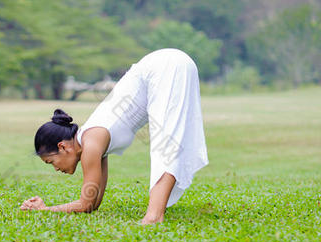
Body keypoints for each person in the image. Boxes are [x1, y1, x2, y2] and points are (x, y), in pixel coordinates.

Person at [20, 48, 209, 225]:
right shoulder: (93, 144)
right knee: (171, 140)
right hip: (173, 63)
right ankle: (155, 212)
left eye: (51, 161)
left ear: (62, 147)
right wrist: (47, 209)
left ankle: (153, 216)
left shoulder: (91, 143)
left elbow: (85, 204)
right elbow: (91, 203)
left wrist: (45, 210)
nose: (55, 169)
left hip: (165, 66)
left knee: (166, 142)